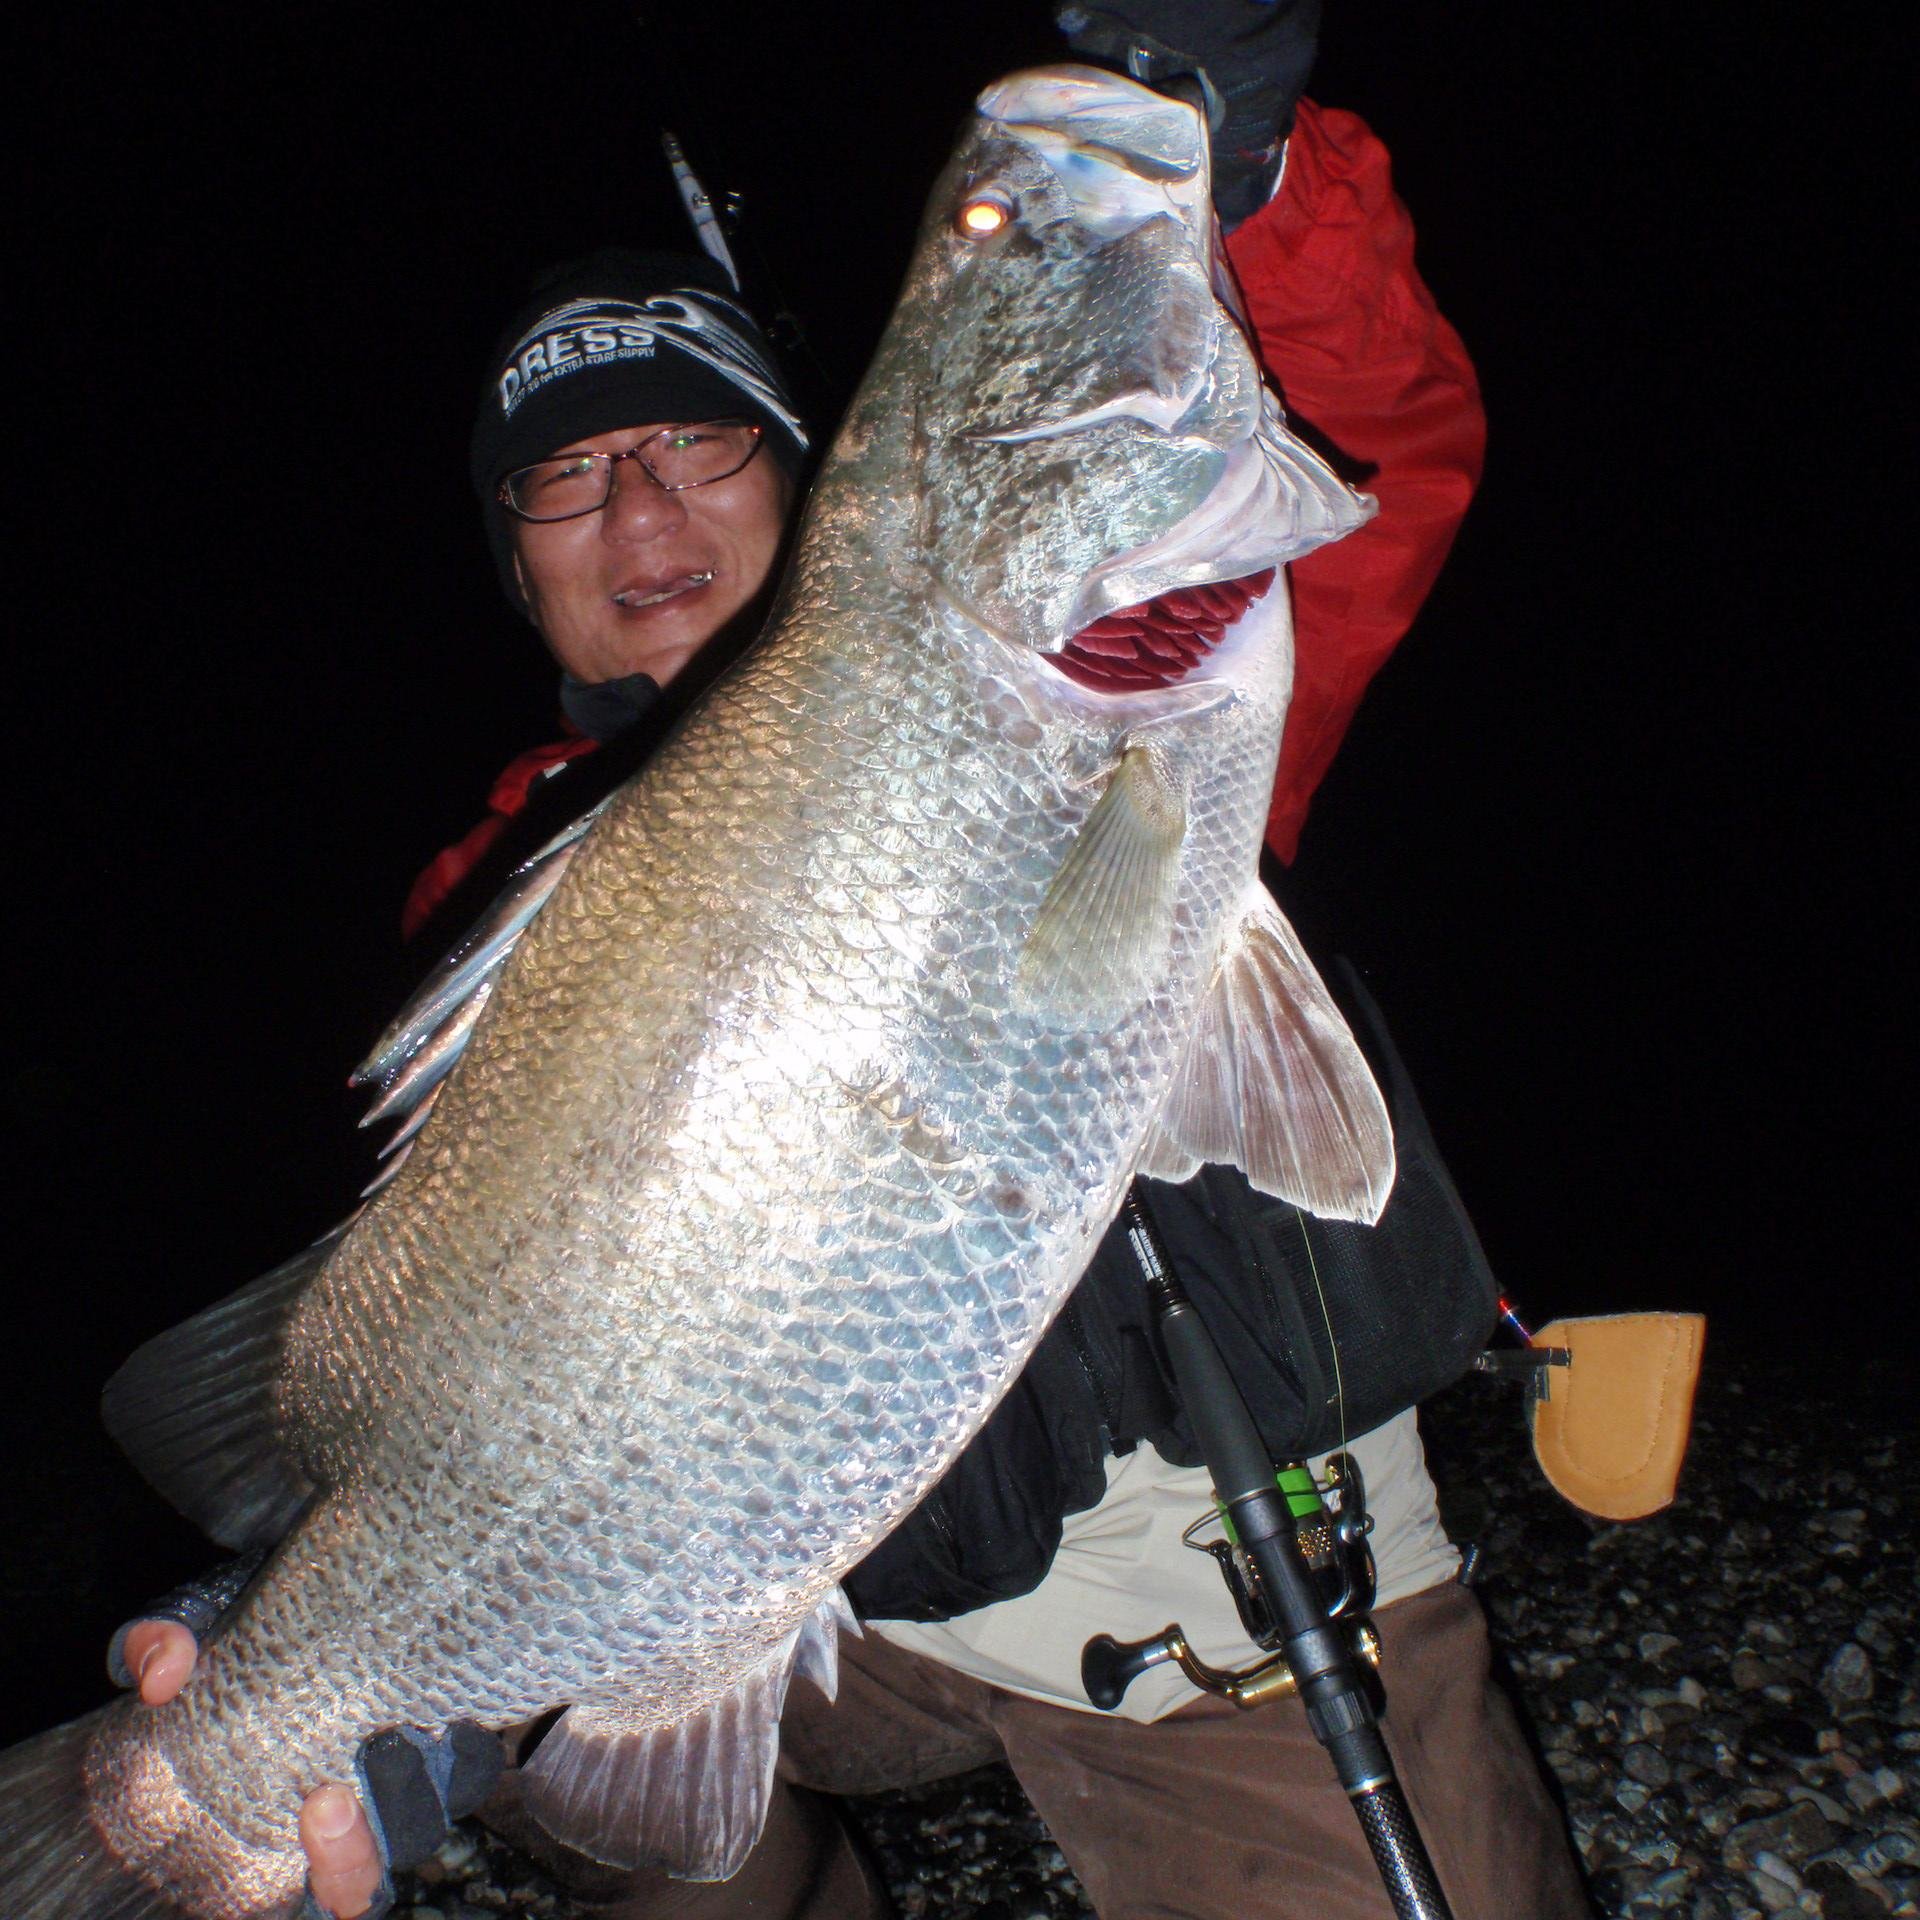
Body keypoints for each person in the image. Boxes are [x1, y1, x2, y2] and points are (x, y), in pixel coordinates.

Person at [114, 21, 1593, 1920]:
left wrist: (1245, 171)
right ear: (519, 564)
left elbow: (1371, 435)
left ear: (809, 469)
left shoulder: (1143, 653)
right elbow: (453, 1380)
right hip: (810, 1597)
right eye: (562, 484)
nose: (639, 514)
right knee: (632, 1842)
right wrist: (281, 1663)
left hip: (1196, 1596)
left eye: (693, 438)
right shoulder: (496, 889)